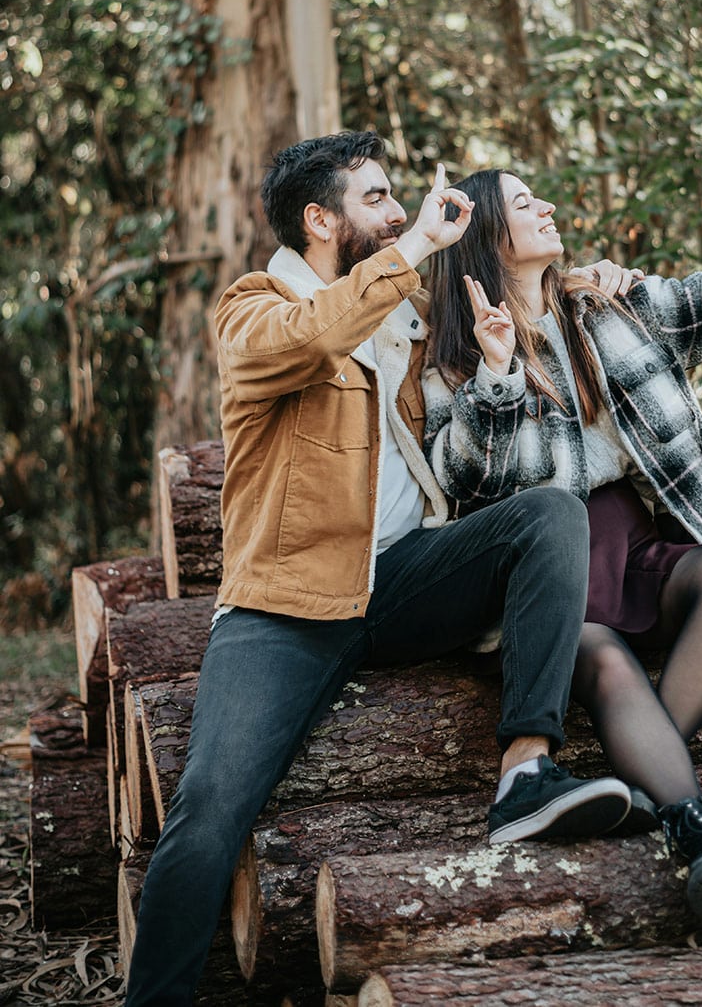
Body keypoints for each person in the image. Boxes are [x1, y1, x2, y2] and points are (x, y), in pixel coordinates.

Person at [124, 132, 632, 1007]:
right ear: (320, 221)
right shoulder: (253, 307)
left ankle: (526, 771)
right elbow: (312, 337)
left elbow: (499, 292)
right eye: (377, 199)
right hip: (283, 607)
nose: (399, 214)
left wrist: (586, 285)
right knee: (208, 810)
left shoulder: (400, 313)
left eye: (398, 199)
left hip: (400, 580)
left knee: (550, 513)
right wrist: (413, 248)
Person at [423, 170, 702, 932]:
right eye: (523, 203)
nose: (547, 206)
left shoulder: (610, 306)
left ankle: (636, 781)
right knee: (606, 658)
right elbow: (472, 480)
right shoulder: (451, 360)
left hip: (640, 550)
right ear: (487, 237)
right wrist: (497, 372)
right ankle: (698, 833)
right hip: (551, 587)